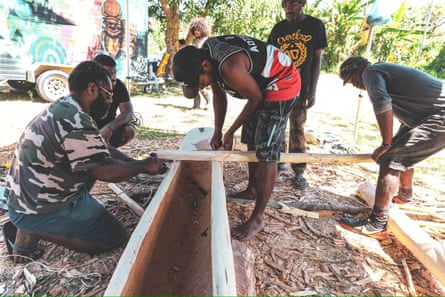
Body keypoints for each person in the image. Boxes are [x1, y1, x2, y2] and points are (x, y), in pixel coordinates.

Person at [3, 61, 168, 263]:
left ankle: (31, 226)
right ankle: (31, 230)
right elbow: (106, 172)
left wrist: (136, 162)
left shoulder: (65, 107)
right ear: (92, 89)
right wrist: (142, 166)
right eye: (108, 95)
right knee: (113, 237)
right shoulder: (76, 120)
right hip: (37, 208)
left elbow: (99, 149)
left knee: (89, 169)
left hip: (23, 200)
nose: (109, 102)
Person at [173, 35, 301, 240]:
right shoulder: (208, 57)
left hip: (282, 82)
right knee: (250, 137)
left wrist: (230, 131)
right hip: (262, 84)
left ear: (205, 66)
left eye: (200, 82)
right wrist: (218, 129)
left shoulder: (229, 66)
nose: (202, 87)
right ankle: (252, 190)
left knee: (267, 151)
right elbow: (219, 94)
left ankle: (258, 218)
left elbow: (256, 98)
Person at [339, 56, 445, 239]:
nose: (355, 84)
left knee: (391, 159)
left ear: (361, 66)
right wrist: (392, 144)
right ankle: (404, 196)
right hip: (428, 114)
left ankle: (377, 223)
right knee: (400, 150)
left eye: (352, 78)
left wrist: (386, 144)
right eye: (350, 82)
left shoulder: (371, 72)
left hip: (439, 113)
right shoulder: (383, 71)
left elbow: (382, 105)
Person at [267, 0, 328, 189]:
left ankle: (299, 170)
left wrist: (313, 89)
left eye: (292, 3)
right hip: (280, 86)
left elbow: (317, 59)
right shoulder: (279, 29)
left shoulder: (315, 26)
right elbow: (271, 57)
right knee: (278, 126)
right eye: (285, 4)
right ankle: (279, 163)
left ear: (302, 3)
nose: (288, 7)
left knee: (297, 128)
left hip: (302, 88)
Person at [94, 54, 137, 148]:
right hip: (88, 128)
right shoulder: (89, 88)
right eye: (108, 74)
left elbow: (128, 112)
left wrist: (109, 127)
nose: (113, 77)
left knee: (129, 130)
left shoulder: (119, 86)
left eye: (114, 73)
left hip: (109, 125)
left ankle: (109, 150)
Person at [188, 17, 211, 109]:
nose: (196, 32)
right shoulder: (195, 41)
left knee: (201, 87)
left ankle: (208, 102)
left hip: (203, 66)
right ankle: (196, 105)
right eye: (195, 30)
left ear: (202, 29)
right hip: (195, 66)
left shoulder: (206, 40)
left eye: (198, 30)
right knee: (194, 86)